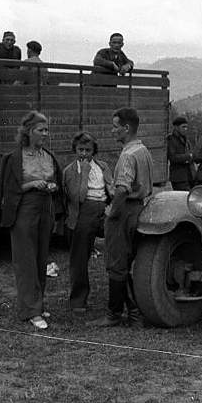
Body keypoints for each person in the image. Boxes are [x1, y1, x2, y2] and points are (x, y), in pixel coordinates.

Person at [0, 111, 63, 329]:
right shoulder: (15, 157)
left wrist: (53, 186)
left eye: (46, 129)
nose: (45, 133)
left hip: (46, 208)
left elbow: (56, 181)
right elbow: (9, 189)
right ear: (28, 131)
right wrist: (32, 185)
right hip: (24, 209)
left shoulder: (48, 156)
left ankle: (38, 305)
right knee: (26, 260)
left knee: (41, 258)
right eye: (41, 130)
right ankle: (31, 311)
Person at [91, 107, 153, 327]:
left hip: (125, 211)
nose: (112, 131)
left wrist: (113, 212)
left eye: (115, 126)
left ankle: (116, 314)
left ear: (126, 128)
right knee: (126, 262)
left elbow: (122, 189)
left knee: (117, 264)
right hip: (139, 209)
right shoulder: (143, 150)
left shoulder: (127, 155)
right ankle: (133, 313)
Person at [63, 131, 113, 313]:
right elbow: (78, 197)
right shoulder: (70, 171)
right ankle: (78, 300)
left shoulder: (103, 166)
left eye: (88, 150)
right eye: (80, 150)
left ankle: (121, 298)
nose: (84, 154)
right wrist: (84, 173)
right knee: (79, 258)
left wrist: (112, 197)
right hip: (83, 212)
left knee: (118, 249)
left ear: (94, 151)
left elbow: (111, 189)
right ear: (75, 150)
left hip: (103, 210)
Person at [167, 116, 196, 191]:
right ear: (176, 127)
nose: (185, 129)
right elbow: (173, 157)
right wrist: (188, 157)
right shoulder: (171, 140)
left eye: (186, 127)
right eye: (183, 127)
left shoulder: (186, 139)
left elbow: (192, 152)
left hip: (189, 176)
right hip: (178, 177)